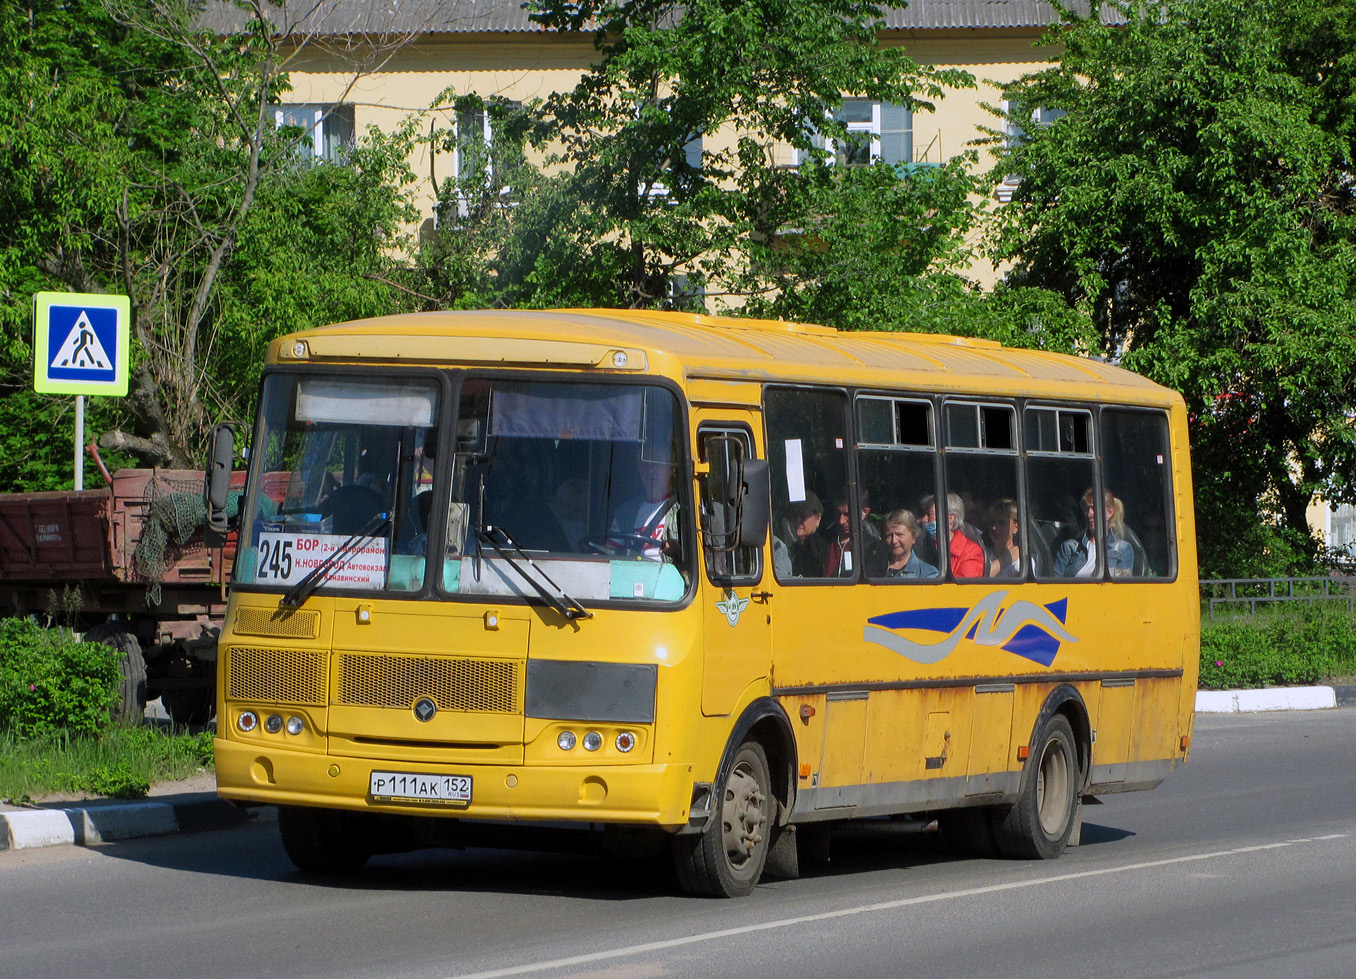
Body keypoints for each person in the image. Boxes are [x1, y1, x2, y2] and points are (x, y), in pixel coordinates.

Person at [608, 456, 678, 558]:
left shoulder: (686, 509)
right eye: (645, 464)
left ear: (671, 469)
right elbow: (608, 553)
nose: (651, 470)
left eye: (657, 463)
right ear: (639, 468)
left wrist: (677, 550)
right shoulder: (625, 513)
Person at [1055, 487, 1134, 577]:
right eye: (1087, 509)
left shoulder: (1122, 549)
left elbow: (1121, 587)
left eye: (1094, 508)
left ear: (1110, 512)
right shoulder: (1069, 548)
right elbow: (1054, 585)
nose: (1089, 514)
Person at [874, 509, 938, 579]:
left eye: (899, 535)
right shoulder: (872, 569)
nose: (894, 541)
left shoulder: (927, 574)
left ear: (913, 538)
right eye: (889, 535)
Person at [776, 492, 826, 578]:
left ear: (818, 519)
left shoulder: (825, 549)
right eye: (794, 516)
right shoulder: (782, 547)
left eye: (803, 516)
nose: (797, 520)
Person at [943, 492, 985, 578]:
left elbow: (965, 589)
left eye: (930, 515)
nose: (924, 520)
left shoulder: (971, 552)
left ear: (950, 519)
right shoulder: (925, 546)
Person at [987, 498, 1023, 578]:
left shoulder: (1022, 560)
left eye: (1001, 523)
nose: (994, 528)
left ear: (1016, 527)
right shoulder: (982, 554)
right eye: (992, 522)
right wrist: (1004, 559)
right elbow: (977, 581)